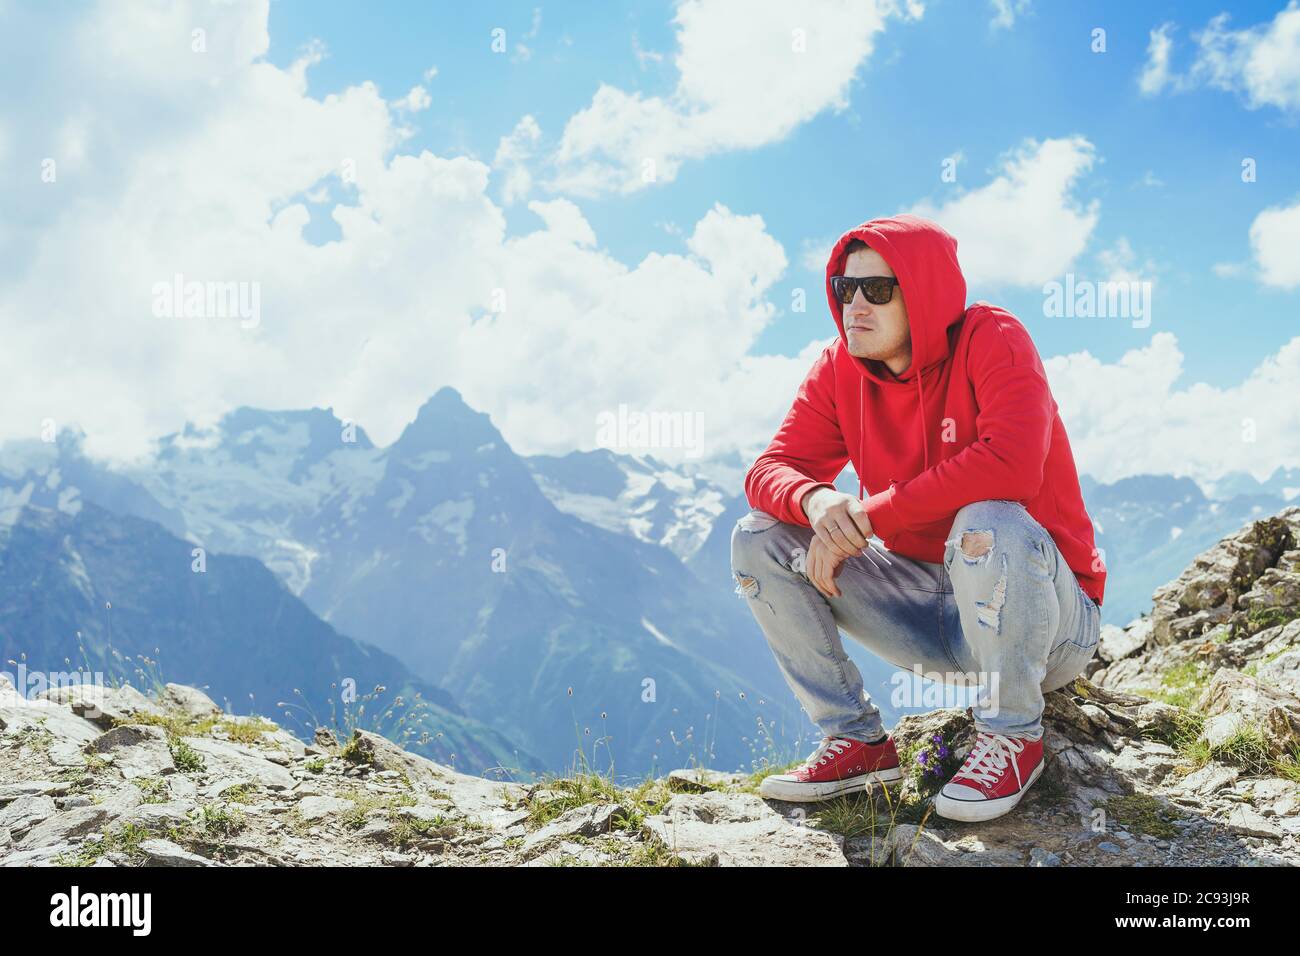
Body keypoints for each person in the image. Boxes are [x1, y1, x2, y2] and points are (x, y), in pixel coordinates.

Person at [731, 214, 1105, 822]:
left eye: (877, 290)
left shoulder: (994, 336)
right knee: (760, 538)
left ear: (924, 295)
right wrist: (820, 504)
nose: (855, 305)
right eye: (843, 289)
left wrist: (873, 515)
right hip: (927, 615)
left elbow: (1011, 464)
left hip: (1048, 624)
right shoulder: (839, 368)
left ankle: (1013, 734)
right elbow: (769, 469)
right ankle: (856, 743)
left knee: (989, 519)